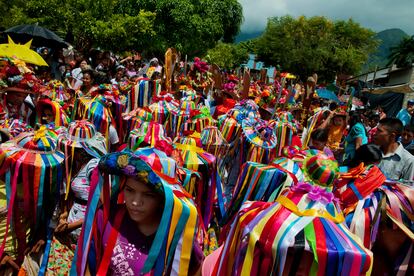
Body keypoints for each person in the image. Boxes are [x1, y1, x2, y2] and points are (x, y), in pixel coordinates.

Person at [73, 151, 203, 275]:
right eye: (130, 190)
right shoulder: (106, 218)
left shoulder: (177, 234)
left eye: (148, 195)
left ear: (163, 199)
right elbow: (89, 268)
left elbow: (196, 270)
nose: (135, 202)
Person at [373, 118, 414, 182]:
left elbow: (406, 188)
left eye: (379, 131)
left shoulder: (408, 160)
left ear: (392, 136)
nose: (374, 134)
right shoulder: (371, 150)